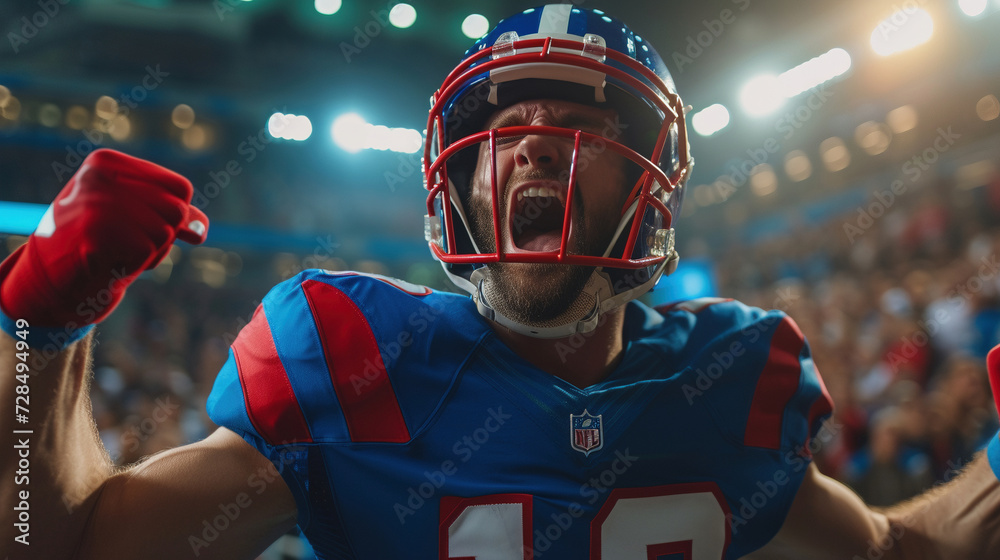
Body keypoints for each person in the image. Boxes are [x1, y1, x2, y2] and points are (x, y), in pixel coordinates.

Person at [2, 5, 1000, 559]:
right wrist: (38, 335)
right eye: (502, 125)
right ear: (456, 176)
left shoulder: (729, 380)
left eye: (588, 129)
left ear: (649, 187)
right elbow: (61, 545)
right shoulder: (354, 361)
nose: (532, 149)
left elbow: (889, 551)